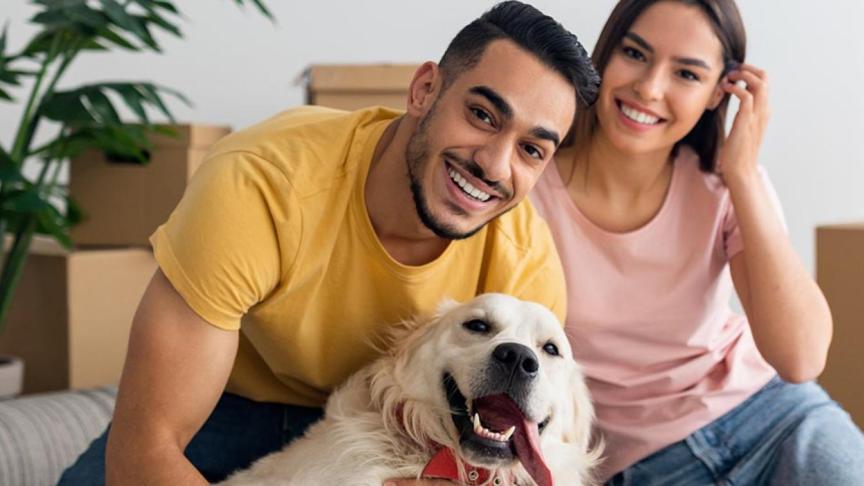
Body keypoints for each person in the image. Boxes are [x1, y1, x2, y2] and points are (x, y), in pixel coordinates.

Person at [56, 2, 601, 485]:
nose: (493, 164)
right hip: (229, 406)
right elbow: (146, 449)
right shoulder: (262, 183)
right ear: (424, 90)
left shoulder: (524, 262)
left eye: (532, 150)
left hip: (394, 427)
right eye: (482, 115)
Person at [526, 0, 864, 484]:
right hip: (637, 464)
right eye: (636, 54)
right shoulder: (530, 187)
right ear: (605, 52)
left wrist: (742, 173)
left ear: (715, 93)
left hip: (775, 420)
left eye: (686, 74)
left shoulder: (727, 187)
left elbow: (801, 358)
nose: (650, 87)